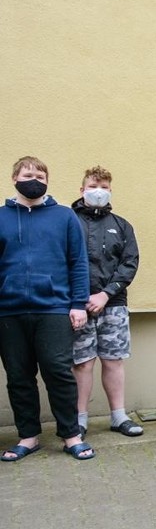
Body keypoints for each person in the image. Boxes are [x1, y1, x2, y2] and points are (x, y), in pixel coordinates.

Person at [0, 156, 95, 461]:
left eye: (41, 175)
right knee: (18, 375)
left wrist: (78, 304)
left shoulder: (65, 217)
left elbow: (78, 263)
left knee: (58, 372)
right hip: (9, 311)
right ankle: (28, 437)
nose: (35, 179)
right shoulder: (1, 217)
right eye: (28, 174)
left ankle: (70, 435)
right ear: (15, 178)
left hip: (54, 308)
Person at [71, 166, 142, 438]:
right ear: (82, 189)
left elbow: (129, 263)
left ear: (110, 190)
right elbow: (62, 260)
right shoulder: (68, 220)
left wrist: (106, 293)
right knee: (82, 363)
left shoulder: (122, 225)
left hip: (113, 304)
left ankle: (118, 416)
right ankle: (79, 420)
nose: (98, 191)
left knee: (113, 361)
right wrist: (79, 298)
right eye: (93, 185)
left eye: (103, 186)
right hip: (78, 305)